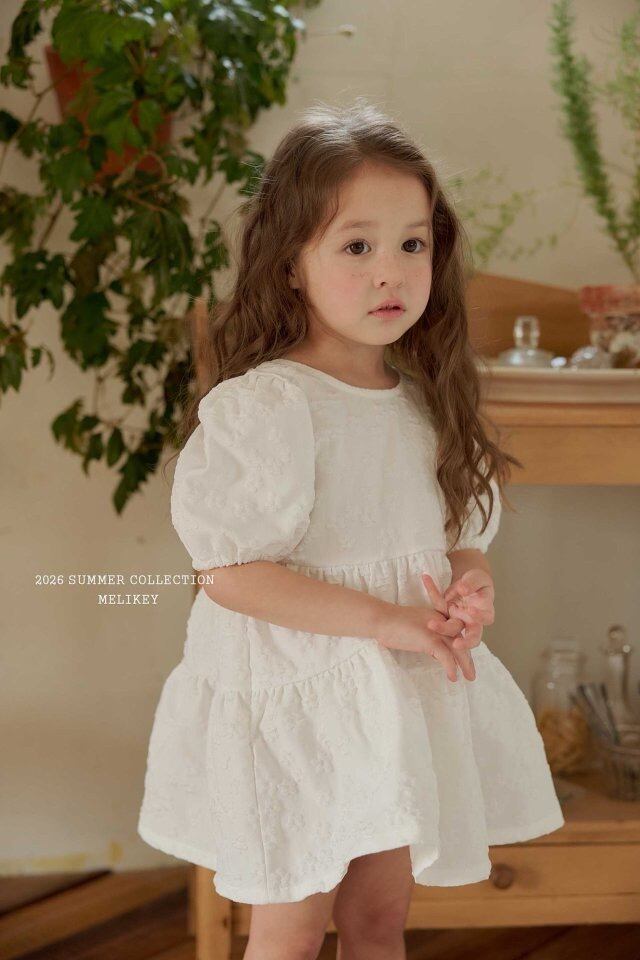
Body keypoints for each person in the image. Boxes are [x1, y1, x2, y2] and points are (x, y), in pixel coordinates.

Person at [137, 98, 565, 960]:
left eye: (413, 244)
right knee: (292, 931)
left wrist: (469, 587)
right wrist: (384, 620)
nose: (391, 273)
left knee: (379, 918)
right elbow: (231, 572)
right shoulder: (269, 407)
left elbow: (460, 537)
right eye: (357, 246)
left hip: (393, 698)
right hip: (296, 704)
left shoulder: (424, 403)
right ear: (291, 263)